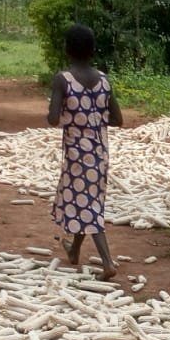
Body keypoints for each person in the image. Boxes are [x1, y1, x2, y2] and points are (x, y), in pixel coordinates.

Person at [48, 23, 121, 280]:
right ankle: (74, 249)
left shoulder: (63, 79)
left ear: (67, 50)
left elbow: (53, 118)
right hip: (100, 152)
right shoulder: (103, 79)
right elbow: (117, 119)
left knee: (87, 206)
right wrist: (95, 119)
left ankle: (108, 263)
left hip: (77, 154)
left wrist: (72, 117)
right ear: (92, 51)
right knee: (87, 199)